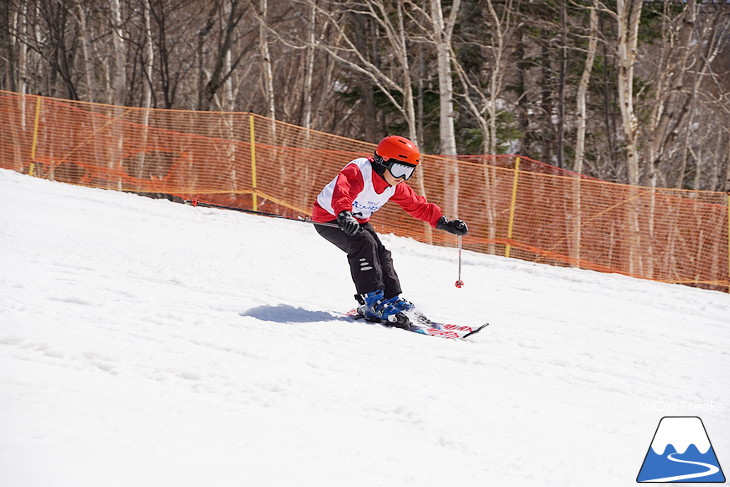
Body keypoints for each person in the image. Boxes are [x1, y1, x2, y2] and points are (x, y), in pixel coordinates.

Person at [312, 135, 468, 329]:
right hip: (330, 218)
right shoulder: (360, 171)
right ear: (382, 161)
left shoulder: (394, 186)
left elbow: (418, 206)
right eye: (399, 169)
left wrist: (444, 223)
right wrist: (344, 214)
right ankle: (372, 302)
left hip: (357, 220)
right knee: (365, 244)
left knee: (381, 252)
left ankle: (392, 298)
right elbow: (342, 190)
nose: (402, 177)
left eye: (408, 172)